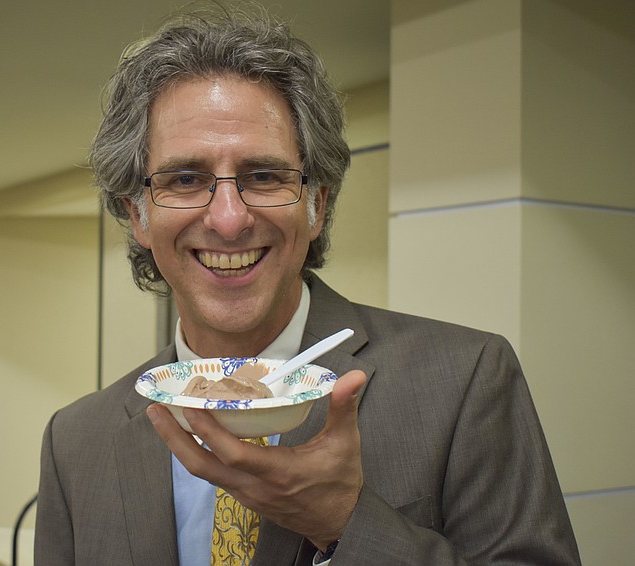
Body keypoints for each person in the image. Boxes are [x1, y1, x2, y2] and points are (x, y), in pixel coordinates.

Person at [35, 5, 581, 565]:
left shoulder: (465, 382)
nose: (228, 219)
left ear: (317, 206)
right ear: (138, 215)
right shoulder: (77, 442)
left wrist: (345, 523)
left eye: (265, 176)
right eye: (185, 179)